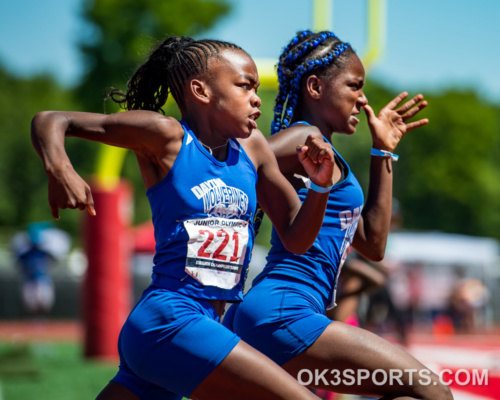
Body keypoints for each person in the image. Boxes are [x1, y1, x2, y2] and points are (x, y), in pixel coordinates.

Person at [30, 35, 337, 400]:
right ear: (201, 91)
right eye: (245, 86)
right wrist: (60, 169)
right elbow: (53, 119)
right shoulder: (167, 137)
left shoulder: (252, 149)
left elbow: (297, 238)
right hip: (171, 317)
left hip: (201, 325)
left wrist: (320, 188)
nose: (257, 98)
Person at [223, 31, 453, 399]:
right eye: (354, 86)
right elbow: (246, 155)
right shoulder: (305, 137)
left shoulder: (324, 155)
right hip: (283, 309)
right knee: (430, 390)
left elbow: (374, 243)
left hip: (277, 311)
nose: (363, 99)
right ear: (315, 86)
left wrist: (383, 153)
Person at [10, 221, 70, 318]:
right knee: (30, 304)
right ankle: (33, 320)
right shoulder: (25, 252)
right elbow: (17, 260)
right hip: (29, 280)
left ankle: (42, 320)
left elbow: (56, 258)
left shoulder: (45, 251)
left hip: (43, 279)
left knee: (45, 303)